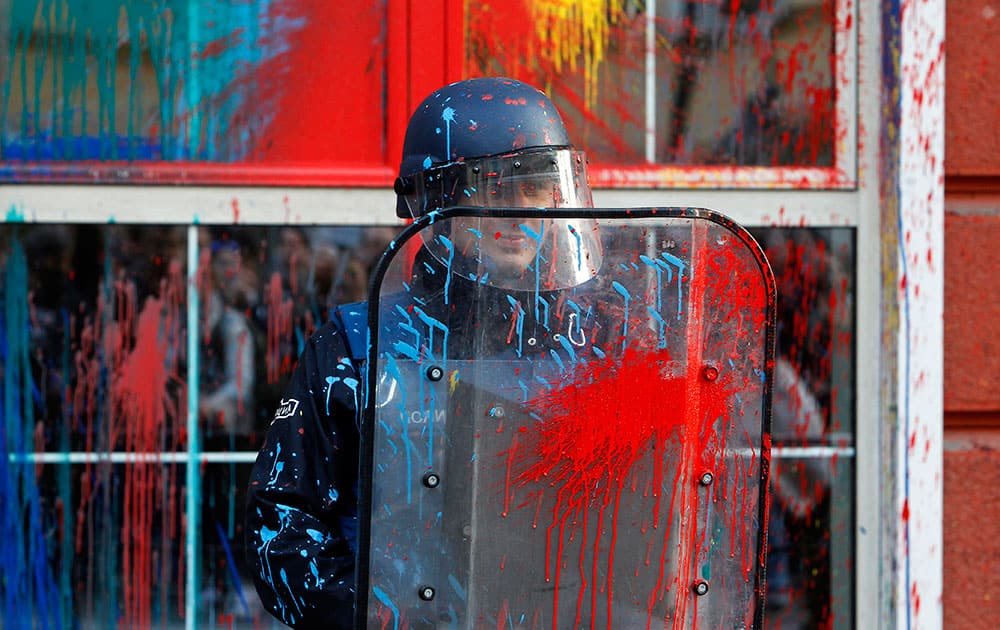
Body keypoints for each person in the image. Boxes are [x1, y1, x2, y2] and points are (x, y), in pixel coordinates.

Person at [244, 77, 600, 628]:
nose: (517, 213)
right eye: (489, 187)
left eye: (532, 187)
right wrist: (378, 618)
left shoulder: (592, 339)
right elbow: (282, 522)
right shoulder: (359, 344)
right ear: (435, 202)